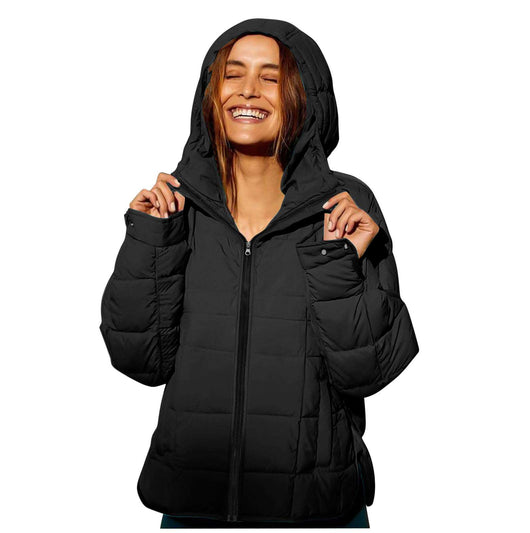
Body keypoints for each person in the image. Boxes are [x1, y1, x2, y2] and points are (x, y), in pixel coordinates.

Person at [99, 18, 419, 529]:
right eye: (233, 74)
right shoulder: (178, 208)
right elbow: (139, 360)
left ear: (305, 97)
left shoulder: (343, 206)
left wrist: (336, 264)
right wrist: (151, 241)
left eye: (270, 78)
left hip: (320, 512)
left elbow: (371, 370)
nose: (248, 90)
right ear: (211, 93)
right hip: (194, 509)